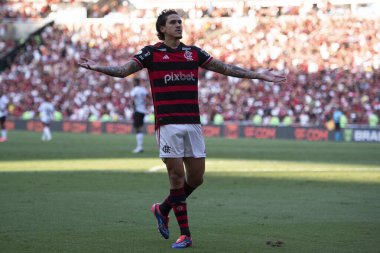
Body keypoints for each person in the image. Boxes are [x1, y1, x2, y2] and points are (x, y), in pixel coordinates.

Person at [78, 9, 286, 249]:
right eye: (173, 22)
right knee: (176, 177)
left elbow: (226, 68)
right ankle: (185, 234)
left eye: (180, 22)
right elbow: (124, 71)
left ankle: (162, 208)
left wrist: (259, 75)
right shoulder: (150, 53)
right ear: (162, 29)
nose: (178, 25)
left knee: (196, 178)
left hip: (192, 123)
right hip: (168, 124)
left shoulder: (193, 53)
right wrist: (98, 67)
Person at [130, 78, 149, 153]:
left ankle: (139, 147)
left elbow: (132, 99)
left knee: (138, 128)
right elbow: (148, 98)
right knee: (139, 128)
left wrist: (132, 106)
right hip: (143, 110)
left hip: (138, 110)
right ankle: (140, 146)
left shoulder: (135, 90)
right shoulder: (143, 90)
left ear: (135, 82)